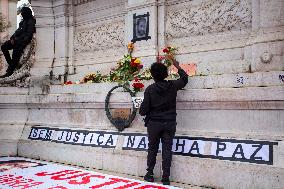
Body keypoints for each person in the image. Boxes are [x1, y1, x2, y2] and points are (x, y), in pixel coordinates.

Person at [139, 56, 188, 185]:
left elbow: (143, 111)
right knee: (167, 149)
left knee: (152, 148)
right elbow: (184, 79)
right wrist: (177, 66)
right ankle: (165, 178)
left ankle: (149, 173)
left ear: (152, 75)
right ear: (166, 74)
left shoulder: (150, 89)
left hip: (154, 124)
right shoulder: (172, 85)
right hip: (169, 122)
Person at [0, 7, 36, 78]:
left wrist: (22, 43)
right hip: (16, 40)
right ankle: (11, 65)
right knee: (3, 46)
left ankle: (10, 72)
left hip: (21, 42)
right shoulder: (22, 22)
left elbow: (29, 35)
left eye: (23, 13)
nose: (21, 14)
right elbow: (17, 31)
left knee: (15, 55)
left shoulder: (31, 21)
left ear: (26, 13)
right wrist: (12, 38)